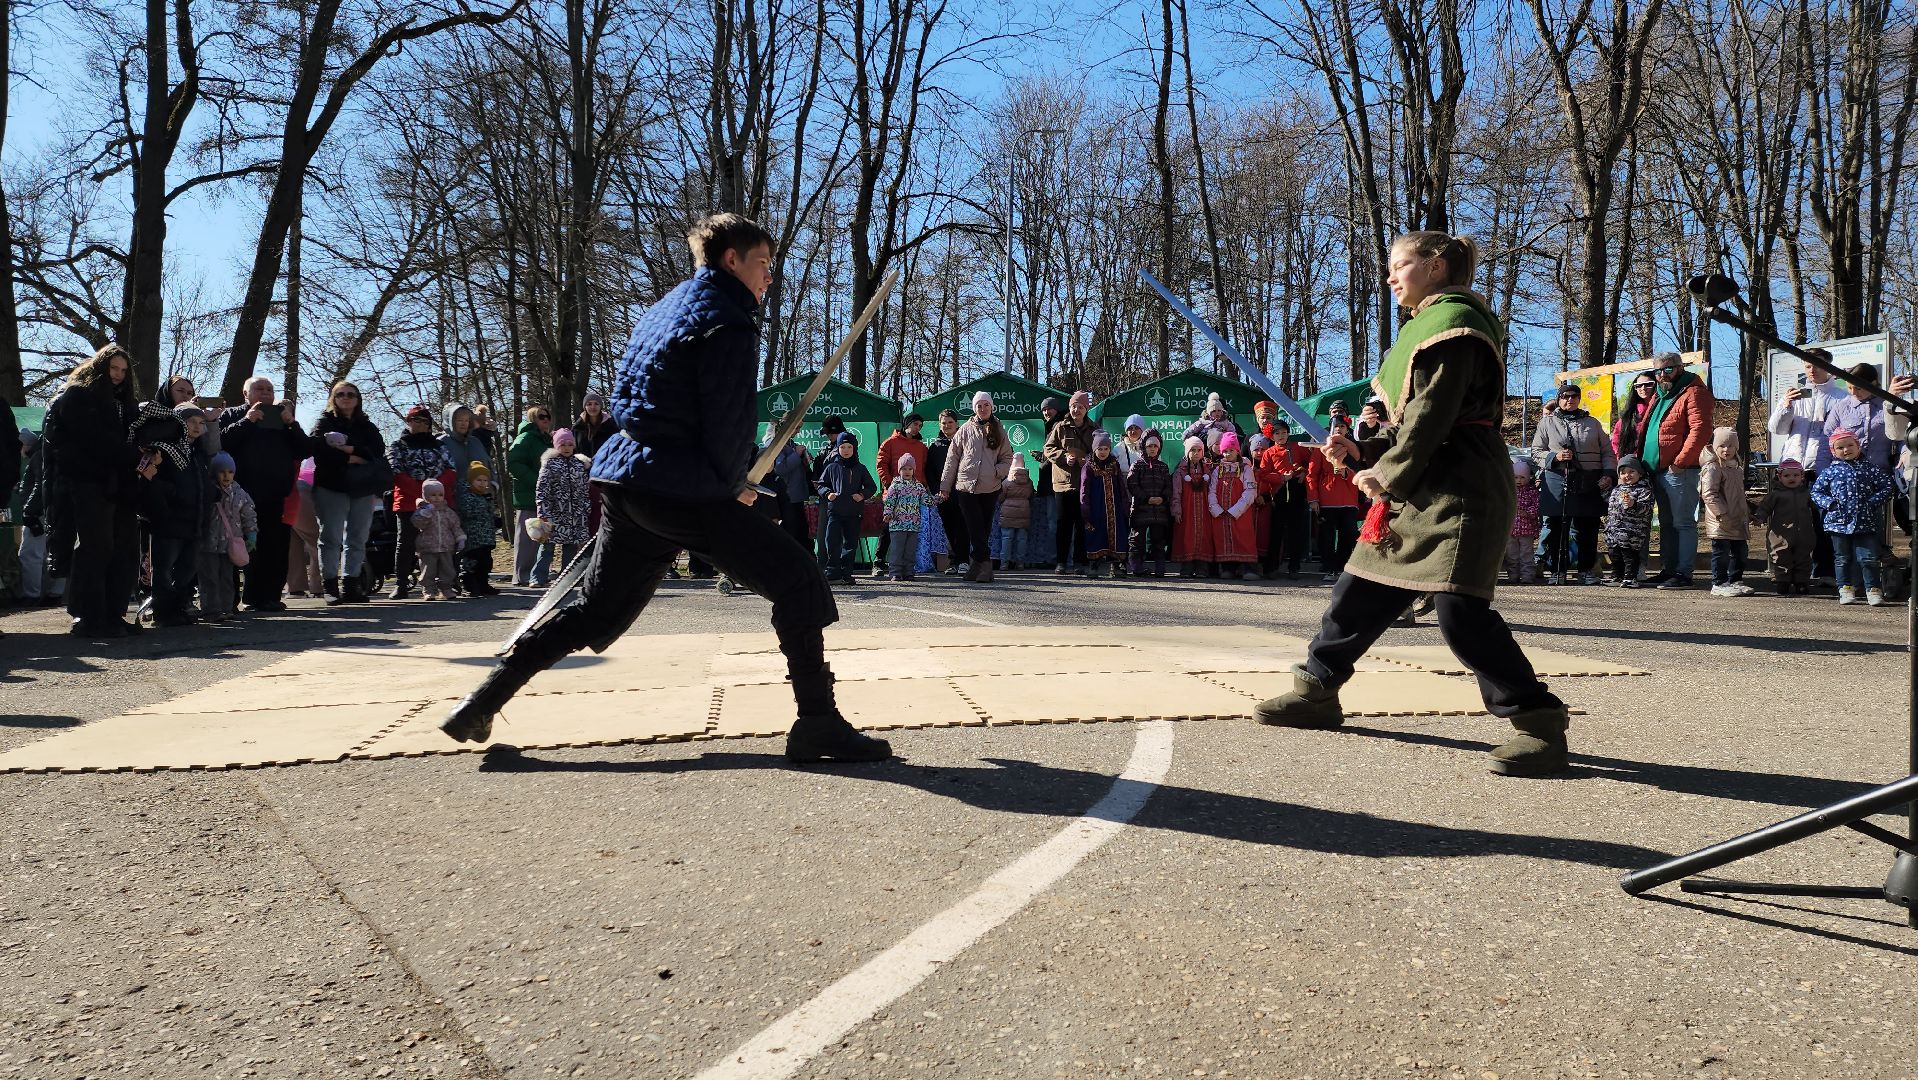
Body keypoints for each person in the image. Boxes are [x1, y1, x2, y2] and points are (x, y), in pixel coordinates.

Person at [444, 212, 888, 762]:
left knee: (594, 609)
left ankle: (482, 700)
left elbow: (636, 402)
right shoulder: (728, 322)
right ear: (732, 260)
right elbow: (726, 421)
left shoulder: (664, 310)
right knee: (799, 582)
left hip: (629, 480)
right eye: (764, 264)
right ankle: (818, 723)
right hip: (680, 487)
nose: (770, 277)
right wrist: (733, 485)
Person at [1254, 230, 1572, 778]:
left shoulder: (1454, 326)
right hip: (1426, 480)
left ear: (1437, 265)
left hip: (1462, 488)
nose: (1390, 276)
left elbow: (1434, 414)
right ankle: (1317, 691)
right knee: (1358, 589)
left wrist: (1388, 473)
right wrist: (1365, 449)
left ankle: (1538, 722)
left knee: (1459, 613)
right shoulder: (1427, 325)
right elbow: (1413, 424)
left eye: (1399, 264)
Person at [42, 344, 143, 637]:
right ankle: (87, 615)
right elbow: (91, 441)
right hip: (89, 482)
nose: (119, 375)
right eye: (114, 368)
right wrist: (135, 455)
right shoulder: (77, 396)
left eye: (123, 371)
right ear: (100, 367)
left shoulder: (123, 402)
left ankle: (112, 613)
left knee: (122, 549)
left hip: (118, 482)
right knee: (96, 548)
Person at [219, 377, 307, 612]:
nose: (266, 393)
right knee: (242, 547)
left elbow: (305, 449)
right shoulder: (232, 415)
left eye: (269, 389)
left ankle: (269, 596)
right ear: (245, 393)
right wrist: (247, 422)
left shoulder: (281, 418)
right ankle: (236, 599)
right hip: (239, 495)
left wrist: (291, 424)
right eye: (259, 389)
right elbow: (219, 442)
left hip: (275, 494)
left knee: (274, 547)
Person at [308, 380, 387, 605]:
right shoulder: (324, 422)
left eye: (351, 394)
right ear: (333, 398)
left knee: (358, 537)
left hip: (362, 487)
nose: (346, 397)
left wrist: (349, 448)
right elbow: (318, 450)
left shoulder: (367, 425)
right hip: (331, 486)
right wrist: (351, 457)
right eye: (340, 394)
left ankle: (352, 584)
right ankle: (330, 586)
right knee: (331, 537)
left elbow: (378, 450)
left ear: (358, 398)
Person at [1640, 351, 1713, 589]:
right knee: (1666, 523)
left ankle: (1683, 573)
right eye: (1658, 371)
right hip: (1657, 470)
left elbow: (1700, 430)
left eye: (1668, 369)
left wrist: (1680, 462)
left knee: (1683, 522)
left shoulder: (1694, 391)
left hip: (1679, 471)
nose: (1663, 375)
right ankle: (1668, 569)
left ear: (1680, 368)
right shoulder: (1660, 395)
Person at [1532, 381, 1617, 585]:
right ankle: (1557, 571)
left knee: (1587, 527)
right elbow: (1536, 452)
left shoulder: (1593, 423)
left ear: (1579, 399)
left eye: (1573, 396)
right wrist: (1556, 456)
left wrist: (1608, 473)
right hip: (1556, 479)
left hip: (1589, 480)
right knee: (1555, 527)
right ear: (1559, 399)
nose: (1569, 400)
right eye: (1565, 396)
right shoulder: (1546, 423)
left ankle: (1586, 570)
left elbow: (1607, 452)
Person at [135, 405, 209, 627]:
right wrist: (173, 495)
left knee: (187, 569)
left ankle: (178, 608)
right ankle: (164, 612)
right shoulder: (165, 451)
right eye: (191, 421)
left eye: (201, 422)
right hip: (170, 519)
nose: (196, 427)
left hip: (195, 520)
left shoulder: (199, 453)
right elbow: (154, 482)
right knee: (164, 569)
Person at [1811, 427, 1894, 606]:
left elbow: (1887, 486)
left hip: (1866, 522)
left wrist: (1873, 501)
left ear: (1858, 446)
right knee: (1842, 558)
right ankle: (1845, 589)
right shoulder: (1830, 472)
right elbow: (1816, 492)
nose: (1846, 450)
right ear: (1834, 451)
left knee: (1869, 558)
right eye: (1840, 447)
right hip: (1838, 524)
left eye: (1850, 445)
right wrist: (1830, 504)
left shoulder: (1870, 469)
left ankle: (1873, 589)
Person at [942, 391, 1015, 583]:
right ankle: (986, 567)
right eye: (979, 406)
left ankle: (976, 566)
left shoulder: (999, 429)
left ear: (992, 407)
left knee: (983, 529)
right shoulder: (965, 429)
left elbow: (1008, 457)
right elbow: (952, 459)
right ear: (974, 408)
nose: (983, 409)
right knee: (974, 527)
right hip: (966, 486)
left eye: (986, 405)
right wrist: (945, 486)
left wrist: (997, 472)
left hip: (990, 487)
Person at [385, 406, 453, 599]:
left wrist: (435, 491)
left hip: (439, 502)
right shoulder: (398, 445)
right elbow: (396, 472)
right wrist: (422, 493)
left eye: (425, 421)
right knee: (405, 543)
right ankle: (401, 583)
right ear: (408, 421)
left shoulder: (439, 446)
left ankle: (445, 583)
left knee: (442, 543)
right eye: (416, 420)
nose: (420, 424)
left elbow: (451, 469)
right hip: (408, 503)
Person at [200, 450, 257, 621]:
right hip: (208, 543)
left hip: (229, 545)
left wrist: (252, 534)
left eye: (230, 472)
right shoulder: (208, 492)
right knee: (209, 578)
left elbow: (249, 514)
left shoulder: (239, 494)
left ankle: (226, 607)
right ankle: (211, 609)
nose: (226, 476)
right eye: (222, 472)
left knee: (226, 579)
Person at [1044, 391, 1097, 574]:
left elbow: (1102, 451)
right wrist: (1063, 457)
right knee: (1063, 524)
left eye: (1080, 407)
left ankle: (1080, 562)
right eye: (1074, 406)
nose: (1076, 410)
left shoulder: (1094, 429)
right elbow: (1048, 449)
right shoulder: (1059, 427)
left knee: (1082, 524)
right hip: (1063, 483)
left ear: (1086, 409)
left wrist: (1088, 461)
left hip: (1085, 484)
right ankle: (1061, 562)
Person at [1698, 427, 1754, 597]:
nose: (1726, 450)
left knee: (1740, 552)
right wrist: (1721, 513)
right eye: (1722, 446)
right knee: (1721, 553)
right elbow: (1708, 493)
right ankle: (1719, 582)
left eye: (1730, 446)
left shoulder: (1736, 467)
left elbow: (1738, 494)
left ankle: (1735, 580)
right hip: (1721, 520)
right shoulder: (1713, 468)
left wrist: (1747, 512)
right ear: (1714, 446)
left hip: (1737, 518)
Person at [875, 413, 930, 580]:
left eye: (920, 426)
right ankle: (879, 562)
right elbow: (881, 463)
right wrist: (889, 484)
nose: (917, 428)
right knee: (888, 529)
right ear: (907, 423)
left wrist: (925, 488)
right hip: (894, 492)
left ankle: (907, 569)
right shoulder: (890, 442)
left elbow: (923, 469)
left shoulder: (921, 447)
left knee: (910, 537)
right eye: (915, 424)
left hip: (914, 495)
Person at [816, 431, 875, 585]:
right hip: (835, 512)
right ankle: (833, 572)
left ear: (854, 448)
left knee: (850, 544)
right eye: (842, 447)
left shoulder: (860, 468)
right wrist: (828, 493)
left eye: (849, 447)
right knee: (832, 541)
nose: (846, 450)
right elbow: (821, 485)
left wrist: (862, 495)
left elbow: (871, 486)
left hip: (854, 513)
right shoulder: (831, 467)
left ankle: (846, 573)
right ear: (838, 448)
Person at [1308, 418, 1362, 582]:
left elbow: (1361, 470)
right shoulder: (1321, 448)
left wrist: (1347, 473)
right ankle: (1329, 567)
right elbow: (1312, 475)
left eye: (1342, 426)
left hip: (1349, 498)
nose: (1338, 429)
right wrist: (1313, 499)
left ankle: (1341, 566)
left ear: (1347, 429)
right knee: (1327, 536)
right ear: (1330, 429)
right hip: (1327, 498)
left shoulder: (1353, 447)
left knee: (1350, 534)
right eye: (1335, 426)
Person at [507, 406, 556, 586]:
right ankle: (522, 574)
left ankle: (537, 573)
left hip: (544, 497)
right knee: (528, 537)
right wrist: (536, 482)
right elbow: (513, 462)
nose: (546, 419)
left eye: (548, 416)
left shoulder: (546, 440)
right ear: (532, 419)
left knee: (541, 536)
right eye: (541, 416)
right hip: (528, 495)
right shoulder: (525, 438)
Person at [533, 427, 593, 573]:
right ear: (556, 446)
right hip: (554, 513)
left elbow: (585, 489)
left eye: (569, 444)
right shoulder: (550, 464)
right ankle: (538, 577)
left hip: (575, 515)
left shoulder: (579, 465)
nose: (566, 448)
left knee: (571, 546)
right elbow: (542, 489)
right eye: (562, 445)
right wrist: (542, 511)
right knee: (547, 545)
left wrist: (586, 507)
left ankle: (566, 576)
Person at [1756, 459, 1815, 594]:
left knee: (1803, 558)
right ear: (1780, 477)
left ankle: (1801, 582)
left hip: (1804, 533)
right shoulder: (1776, 494)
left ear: (1802, 476)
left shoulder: (1806, 494)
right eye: (1787, 476)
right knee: (1781, 557)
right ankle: (1783, 581)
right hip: (1780, 534)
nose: (1791, 478)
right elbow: (1765, 508)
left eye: (1795, 475)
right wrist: (1760, 517)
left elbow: (1817, 505)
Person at [1207, 432, 1260, 581]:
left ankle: (1249, 568)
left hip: (1240, 514)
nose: (1227, 453)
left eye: (1231, 450)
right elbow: (1211, 490)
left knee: (1243, 538)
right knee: (1223, 539)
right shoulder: (1218, 470)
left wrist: (1236, 510)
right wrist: (1215, 508)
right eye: (1224, 451)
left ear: (1237, 450)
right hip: (1221, 514)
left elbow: (1250, 491)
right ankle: (1228, 568)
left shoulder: (1245, 469)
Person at [1079, 431, 1129, 579]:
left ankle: (1116, 565)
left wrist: (1124, 504)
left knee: (1116, 535)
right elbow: (1084, 489)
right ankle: (1094, 564)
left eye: (1106, 449)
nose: (1103, 452)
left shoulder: (1114, 465)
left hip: (1114, 508)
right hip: (1096, 508)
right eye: (1099, 449)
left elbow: (1120, 485)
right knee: (1096, 534)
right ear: (1094, 450)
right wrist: (1085, 508)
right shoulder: (1089, 466)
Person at [924, 410, 966, 574]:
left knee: (963, 527)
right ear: (939, 425)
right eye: (944, 423)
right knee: (949, 529)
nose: (947, 426)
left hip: (964, 493)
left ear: (956, 424)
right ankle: (954, 561)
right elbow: (930, 472)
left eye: (950, 422)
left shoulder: (965, 442)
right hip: (944, 496)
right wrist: (938, 492)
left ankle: (964, 562)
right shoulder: (935, 447)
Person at [1127, 430, 1172, 577]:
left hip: (1159, 511)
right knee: (1137, 539)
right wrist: (1146, 499)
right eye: (1149, 446)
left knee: (1158, 540)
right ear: (1143, 447)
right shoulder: (1137, 465)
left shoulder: (1163, 467)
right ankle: (1136, 567)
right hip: (1140, 509)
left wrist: (1163, 498)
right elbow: (1132, 485)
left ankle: (1160, 568)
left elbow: (1169, 486)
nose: (1152, 449)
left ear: (1159, 448)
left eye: (1155, 446)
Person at [1604, 456, 1654, 587]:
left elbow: (1647, 508)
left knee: (1629, 555)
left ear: (1640, 473)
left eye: (1632, 471)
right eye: (1623, 472)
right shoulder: (1617, 489)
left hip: (1632, 531)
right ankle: (1617, 575)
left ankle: (1630, 577)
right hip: (1614, 529)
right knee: (1614, 554)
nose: (1627, 475)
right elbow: (1610, 504)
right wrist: (1603, 491)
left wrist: (1634, 504)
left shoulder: (1644, 490)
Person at [411, 479, 465, 600]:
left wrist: (460, 538)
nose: (437, 498)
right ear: (425, 496)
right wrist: (425, 514)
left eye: (440, 495)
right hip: (428, 547)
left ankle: (446, 589)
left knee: (447, 570)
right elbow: (418, 524)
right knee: (428, 570)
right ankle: (428, 590)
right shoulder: (422, 511)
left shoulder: (448, 512)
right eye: (433, 495)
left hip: (446, 546)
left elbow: (455, 526)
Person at [1170, 436, 1213, 577]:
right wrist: (1177, 510)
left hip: (1204, 511)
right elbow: (1176, 492)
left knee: (1204, 537)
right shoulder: (1181, 471)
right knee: (1187, 537)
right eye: (1192, 450)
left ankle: (1202, 567)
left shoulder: (1208, 470)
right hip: (1187, 510)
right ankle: (1186, 567)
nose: (1196, 453)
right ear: (1187, 452)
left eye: (1199, 450)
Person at [882, 454, 929, 581]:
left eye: (910, 469)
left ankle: (909, 572)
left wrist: (937, 498)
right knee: (897, 550)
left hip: (913, 525)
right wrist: (887, 514)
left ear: (914, 470)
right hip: (897, 524)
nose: (907, 471)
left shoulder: (919, 486)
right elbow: (889, 502)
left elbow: (926, 500)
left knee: (910, 550)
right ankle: (895, 572)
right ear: (899, 470)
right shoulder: (895, 486)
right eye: (904, 468)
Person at [458, 463, 501, 596]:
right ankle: (468, 585)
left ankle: (483, 584)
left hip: (486, 537)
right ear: (471, 481)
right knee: (471, 562)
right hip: (473, 537)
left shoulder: (486, 496)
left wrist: (495, 519)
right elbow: (467, 512)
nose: (482, 484)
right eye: (478, 480)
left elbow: (490, 512)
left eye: (485, 480)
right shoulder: (466, 496)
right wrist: (483, 506)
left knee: (486, 562)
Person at [1506, 458, 1541, 585]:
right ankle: (1513, 576)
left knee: (1526, 554)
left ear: (1528, 478)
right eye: (1515, 477)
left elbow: (1537, 506)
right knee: (1511, 555)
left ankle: (1527, 576)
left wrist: (1528, 513)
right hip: (1511, 529)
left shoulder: (1532, 492)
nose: (1519, 481)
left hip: (1527, 530)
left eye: (1522, 477)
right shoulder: (1509, 492)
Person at [996, 454, 1034, 571]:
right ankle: (1020, 563)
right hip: (1024, 511)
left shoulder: (1006, 482)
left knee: (1007, 538)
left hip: (1008, 512)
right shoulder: (1029, 482)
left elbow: (1000, 498)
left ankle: (1004, 563)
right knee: (1021, 539)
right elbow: (1031, 496)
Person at [1611, 372, 1659, 459]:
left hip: (1658, 462)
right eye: (1639, 385)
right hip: (1633, 465)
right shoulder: (1629, 414)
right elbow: (1616, 439)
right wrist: (1623, 459)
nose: (1643, 388)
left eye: (1648, 384)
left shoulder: (1662, 408)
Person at [572, 393, 620, 460]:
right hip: (583, 467)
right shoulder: (578, 428)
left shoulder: (612, 426)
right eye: (589, 404)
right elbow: (573, 450)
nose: (593, 407)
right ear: (585, 407)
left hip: (606, 466)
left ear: (600, 406)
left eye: (596, 404)